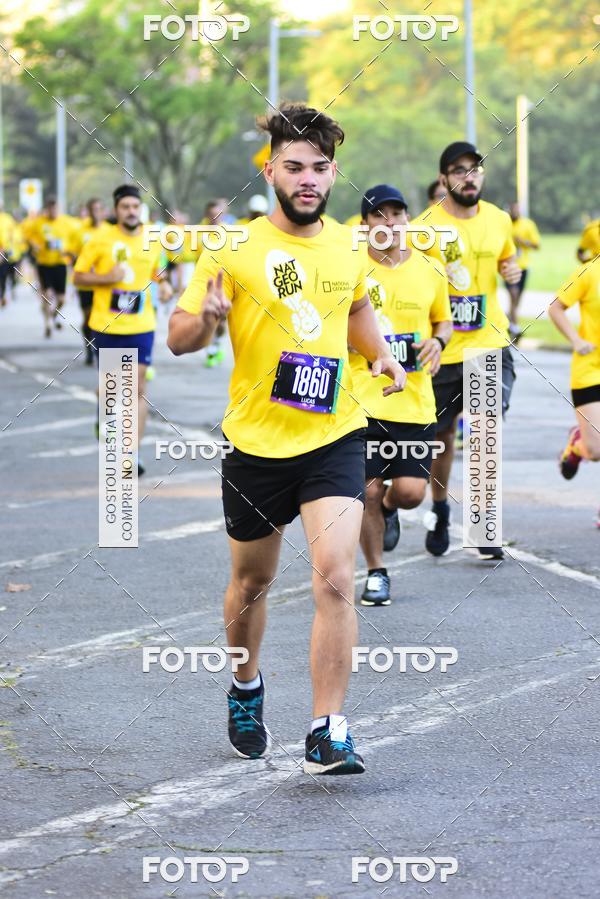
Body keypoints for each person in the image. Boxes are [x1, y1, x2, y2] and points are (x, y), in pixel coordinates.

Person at [168, 103, 405, 775]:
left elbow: (356, 306)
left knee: (335, 574)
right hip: (255, 445)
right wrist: (208, 321)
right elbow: (179, 338)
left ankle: (328, 728)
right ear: (269, 168)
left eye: (319, 168)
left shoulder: (347, 245)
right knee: (251, 582)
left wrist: (381, 354)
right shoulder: (230, 247)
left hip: (334, 435)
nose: (307, 179)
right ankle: (246, 685)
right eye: (294, 166)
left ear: (333, 174)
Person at [411, 141, 521, 561]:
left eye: (475, 169)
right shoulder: (424, 227)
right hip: (441, 350)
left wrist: (512, 271)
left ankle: (482, 522)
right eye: (458, 170)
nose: (468, 176)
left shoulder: (498, 219)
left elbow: (508, 262)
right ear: (444, 179)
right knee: (440, 441)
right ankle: (439, 508)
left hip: (488, 342)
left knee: (484, 433)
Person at [350, 184, 452, 606]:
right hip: (362, 400)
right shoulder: (350, 270)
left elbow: (443, 321)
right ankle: (376, 571)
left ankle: (390, 509)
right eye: (379, 215)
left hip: (414, 401)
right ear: (365, 225)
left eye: (397, 213)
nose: (390, 222)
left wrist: (439, 343)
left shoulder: (430, 268)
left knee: (409, 492)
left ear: (408, 220)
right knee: (367, 490)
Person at [73, 184, 172, 473]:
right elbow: (79, 277)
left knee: (137, 390)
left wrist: (164, 286)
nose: (131, 211)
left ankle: (131, 453)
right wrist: (106, 278)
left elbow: (159, 269)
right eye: (125, 207)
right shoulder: (100, 238)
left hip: (142, 325)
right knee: (111, 391)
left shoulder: (152, 237)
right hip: (107, 325)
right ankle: (103, 408)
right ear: (116, 210)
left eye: (135, 206)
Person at [548, 262, 600, 525]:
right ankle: (577, 446)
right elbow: (555, 307)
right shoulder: (589, 272)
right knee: (596, 450)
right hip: (591, 368)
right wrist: (576, 340)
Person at [29, 196, 79, 337]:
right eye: (50, 208)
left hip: (60, 263)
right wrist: (35, 245)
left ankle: (54, 314)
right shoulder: (39, 223)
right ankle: (48, 324)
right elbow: (29, 237)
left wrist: (69, 250)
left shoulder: (67, 222)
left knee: (61, 299)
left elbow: (75, 239)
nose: (53, 211)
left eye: (55, 208)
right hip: (44, 264)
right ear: (46, 209)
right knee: (47, 295)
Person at [72, 198, 107, 364]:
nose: (95, 213)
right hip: (86, 282)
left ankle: (101, 348)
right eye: (92, 209)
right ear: (88, 211)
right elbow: (70, 252)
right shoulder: (80, 231)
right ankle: (89, 348)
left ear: (103, 211)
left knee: (103, 317)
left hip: (105, 283)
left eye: (98, 209)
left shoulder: (110, 231)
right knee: (88, 317)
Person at [505, 202, 540, 339]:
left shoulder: (528, 224)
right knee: (513, 295)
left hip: (523, 266)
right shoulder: (504, 224)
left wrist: (522, 242)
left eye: (517, 210)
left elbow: (537, 245)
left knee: (516, 301)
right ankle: (516, 328)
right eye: (512, 210)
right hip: (508, 266)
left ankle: (509, 321)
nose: (515, 212)